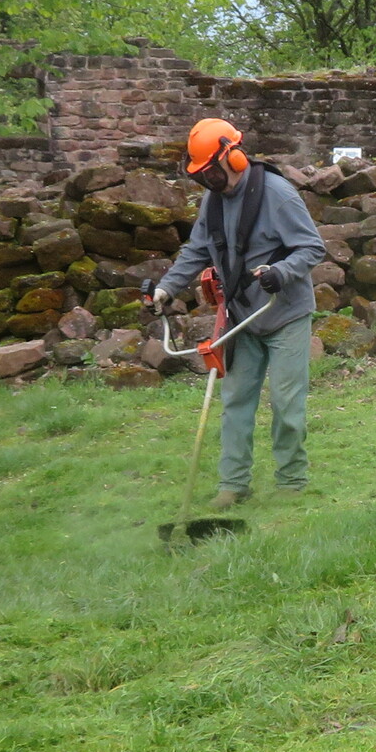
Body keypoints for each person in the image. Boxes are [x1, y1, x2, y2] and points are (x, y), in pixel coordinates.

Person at [150, 118, 327, 506]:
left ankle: (291, 482)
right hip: (241, 318)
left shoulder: (277, 194)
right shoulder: (213, 201)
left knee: (286, 402)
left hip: (284, 313)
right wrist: (167, 287)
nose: (208, 180)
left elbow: (312, 248)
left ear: (234, 157)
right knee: (235, 402)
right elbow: (197, 250)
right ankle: (233, 485)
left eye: (211, 171)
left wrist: (282, 272)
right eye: (201, 175)